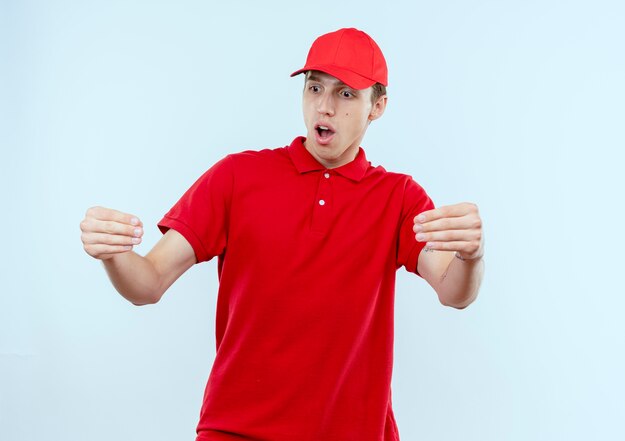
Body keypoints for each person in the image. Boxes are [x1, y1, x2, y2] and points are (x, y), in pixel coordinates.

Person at [80, 28, 484, 441]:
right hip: (234, 430)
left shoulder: (398, 196)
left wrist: (471, 257)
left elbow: (454, 292)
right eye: (314, 88)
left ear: (377, 107)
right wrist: (112, 254)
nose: (324, 107)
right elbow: (147, 283)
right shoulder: (237, 176)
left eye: (346, 94)